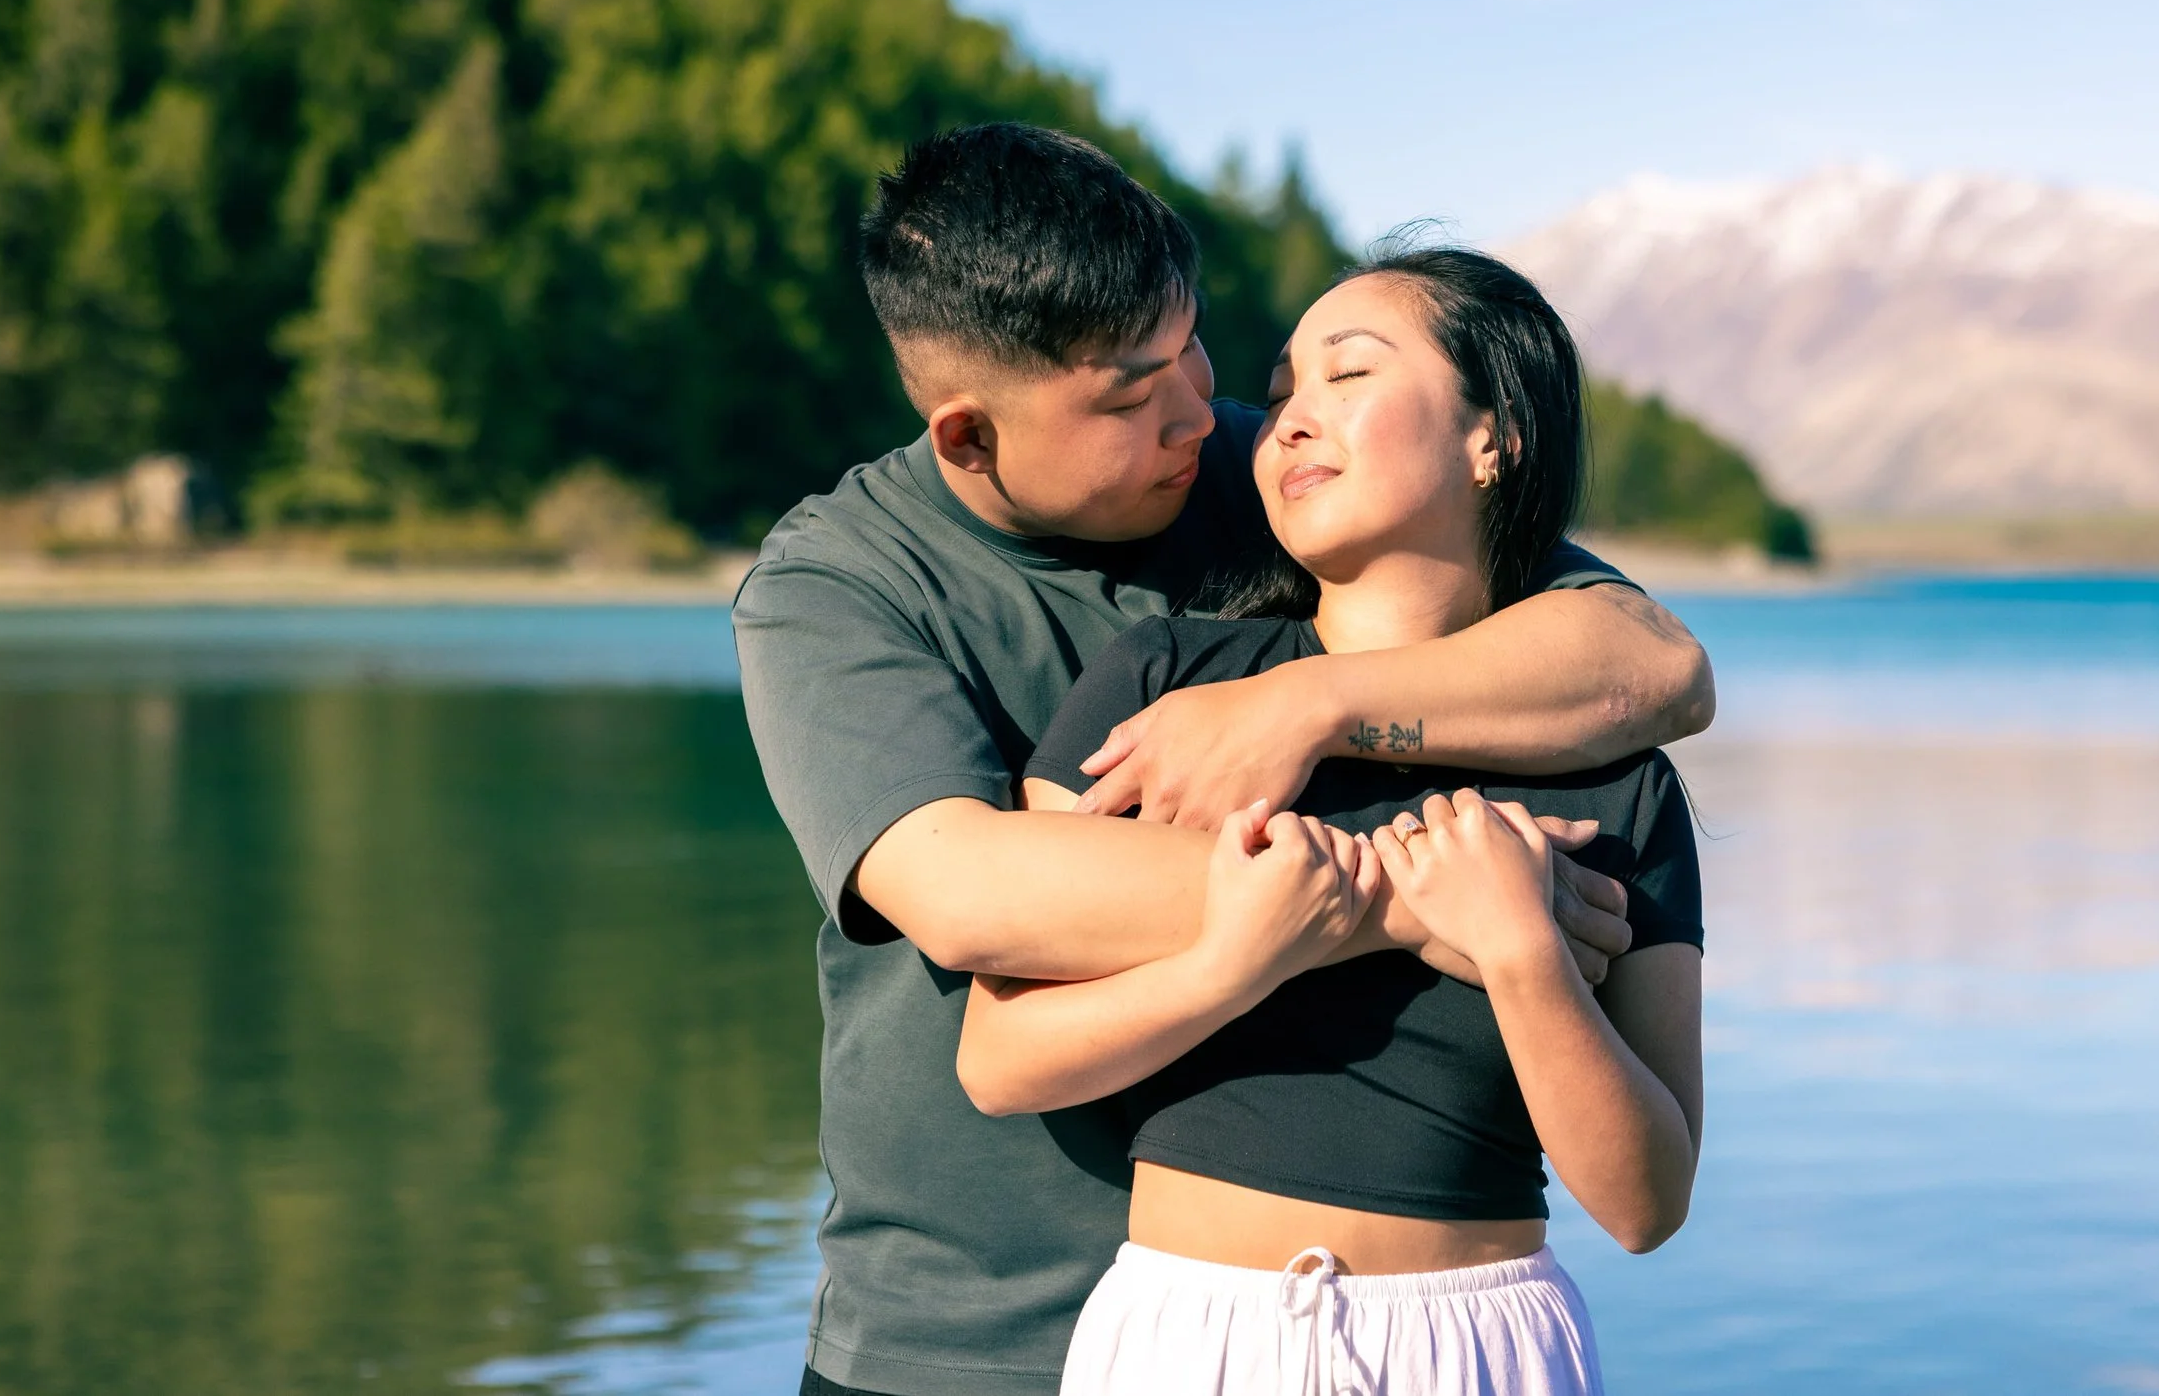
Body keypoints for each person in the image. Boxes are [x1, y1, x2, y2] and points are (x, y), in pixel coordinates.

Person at [733, 124, 1715, 1396]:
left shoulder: (1275, 470)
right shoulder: (838, 584)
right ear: (970, 437)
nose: (1202, 407)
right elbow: (969, 895)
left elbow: (1651, 663)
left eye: (1191, 344)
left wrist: (1311, 703)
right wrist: (1430, 893)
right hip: (963, 1340)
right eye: (1133, 394)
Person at [956, 247, 1704, 1395]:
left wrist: (1522, 956)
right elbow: (1001, 1056)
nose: (1291, 419)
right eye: (1286, 387)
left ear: (1490, 436)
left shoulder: (1612, 772)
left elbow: (1648, 1204)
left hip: (1478, 1346)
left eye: (1348, 374)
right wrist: (1235, 960)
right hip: (1185, 1334)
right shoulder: (1167, 686)